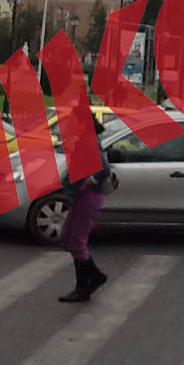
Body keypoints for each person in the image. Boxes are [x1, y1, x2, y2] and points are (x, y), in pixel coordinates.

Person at [59, 118, 111, 303]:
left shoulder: (89, 140)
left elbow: (104, 168)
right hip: (83, 196)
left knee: (76, 241)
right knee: (67, 237)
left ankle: (83, 288)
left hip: (89, 196)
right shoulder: (85, 139)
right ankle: (95, 276)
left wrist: (91, 179)